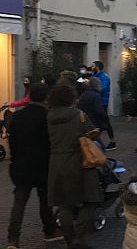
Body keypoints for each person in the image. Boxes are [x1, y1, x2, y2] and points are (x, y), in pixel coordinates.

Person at [7, 84, 63, 248]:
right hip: (42, 166)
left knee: (19, 203)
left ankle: (13, 239)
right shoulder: (47, 117)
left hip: (21, 166)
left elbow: (13, 143)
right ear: (46, 98)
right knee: (45, 200)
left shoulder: (18, 117)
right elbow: (51, 143)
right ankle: (49, 230)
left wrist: (15, 160)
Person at [47, 84, 103, 248]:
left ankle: (69, 240)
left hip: (57, 163)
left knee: (64, 205)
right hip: (80, 161)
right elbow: (92, 133)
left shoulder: (49, 116)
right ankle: (80, 231)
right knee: (92, 199)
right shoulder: (79, 115)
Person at [77, 77, 110, 149]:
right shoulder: (96, 96)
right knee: (98, 145)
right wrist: (105, 119)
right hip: (94, 122)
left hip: (85, 122)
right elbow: (99, 111)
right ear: (97, 85)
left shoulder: (83, 95)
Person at [92, 61, 115, 150]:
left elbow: (102, 89)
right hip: (97, 102)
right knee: (98, 122)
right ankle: (97, 141)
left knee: (104, 121)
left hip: (102, 102)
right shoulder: (95, 76)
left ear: (97, 67)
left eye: (93, 66)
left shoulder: (104, 77)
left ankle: (112, 141)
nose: (91, 67)